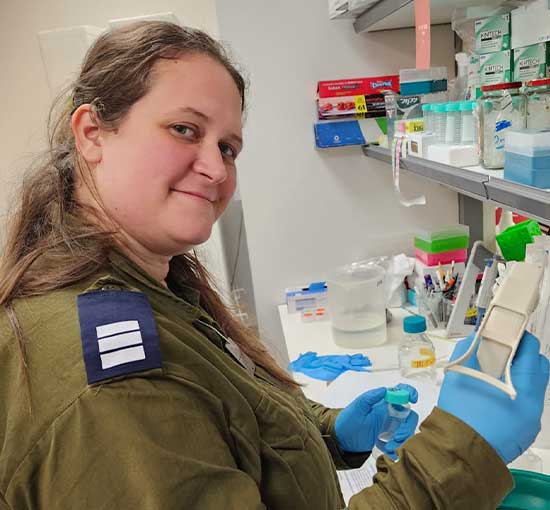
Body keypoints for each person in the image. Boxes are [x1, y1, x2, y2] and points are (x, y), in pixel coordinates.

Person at [0, 21, 547, 510]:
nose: (215, 168)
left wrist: (332, 434)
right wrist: (459, 451)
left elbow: (225, 427)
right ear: (92, 134)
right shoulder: (111, 387)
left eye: (229, 147)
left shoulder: (155, 290)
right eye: (184, 130)